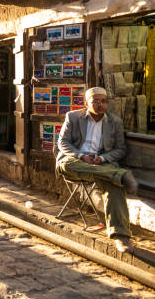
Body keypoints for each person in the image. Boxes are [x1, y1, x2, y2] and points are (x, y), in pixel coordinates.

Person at [56, 87, 138, 253]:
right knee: (66, 165)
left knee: (114, 186)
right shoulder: (73, 117)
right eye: (96, 101)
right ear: (86, 103)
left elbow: (120, 149)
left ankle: (120, 236)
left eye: (103, 101)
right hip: (76, 161)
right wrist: (81, 156)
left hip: (101, 162)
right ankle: (120, 175)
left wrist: (102, 159)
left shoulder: (114, 122)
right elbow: (63, 143)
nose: (100, 104)